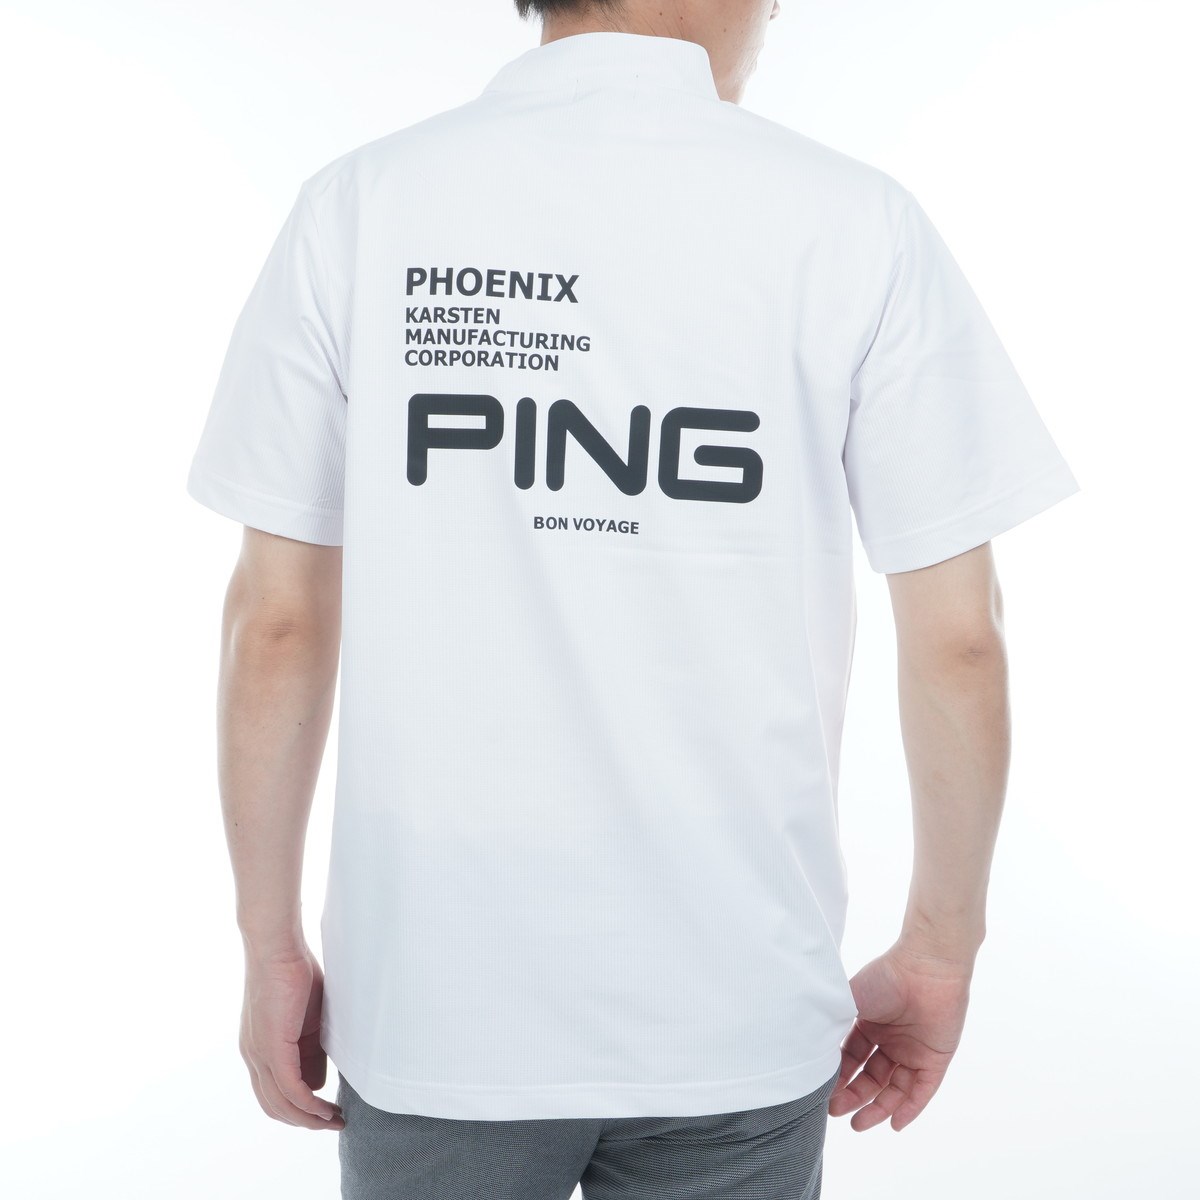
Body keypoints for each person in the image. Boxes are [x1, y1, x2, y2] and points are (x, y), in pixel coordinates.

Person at [185, 0, 1080, 1196]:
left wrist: (269, 944)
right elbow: (961, 641)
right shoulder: (854, 224)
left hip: (441, 1004)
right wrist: (942, 949)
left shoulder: (363, 207)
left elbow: (278, 620)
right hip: (736, 1005)